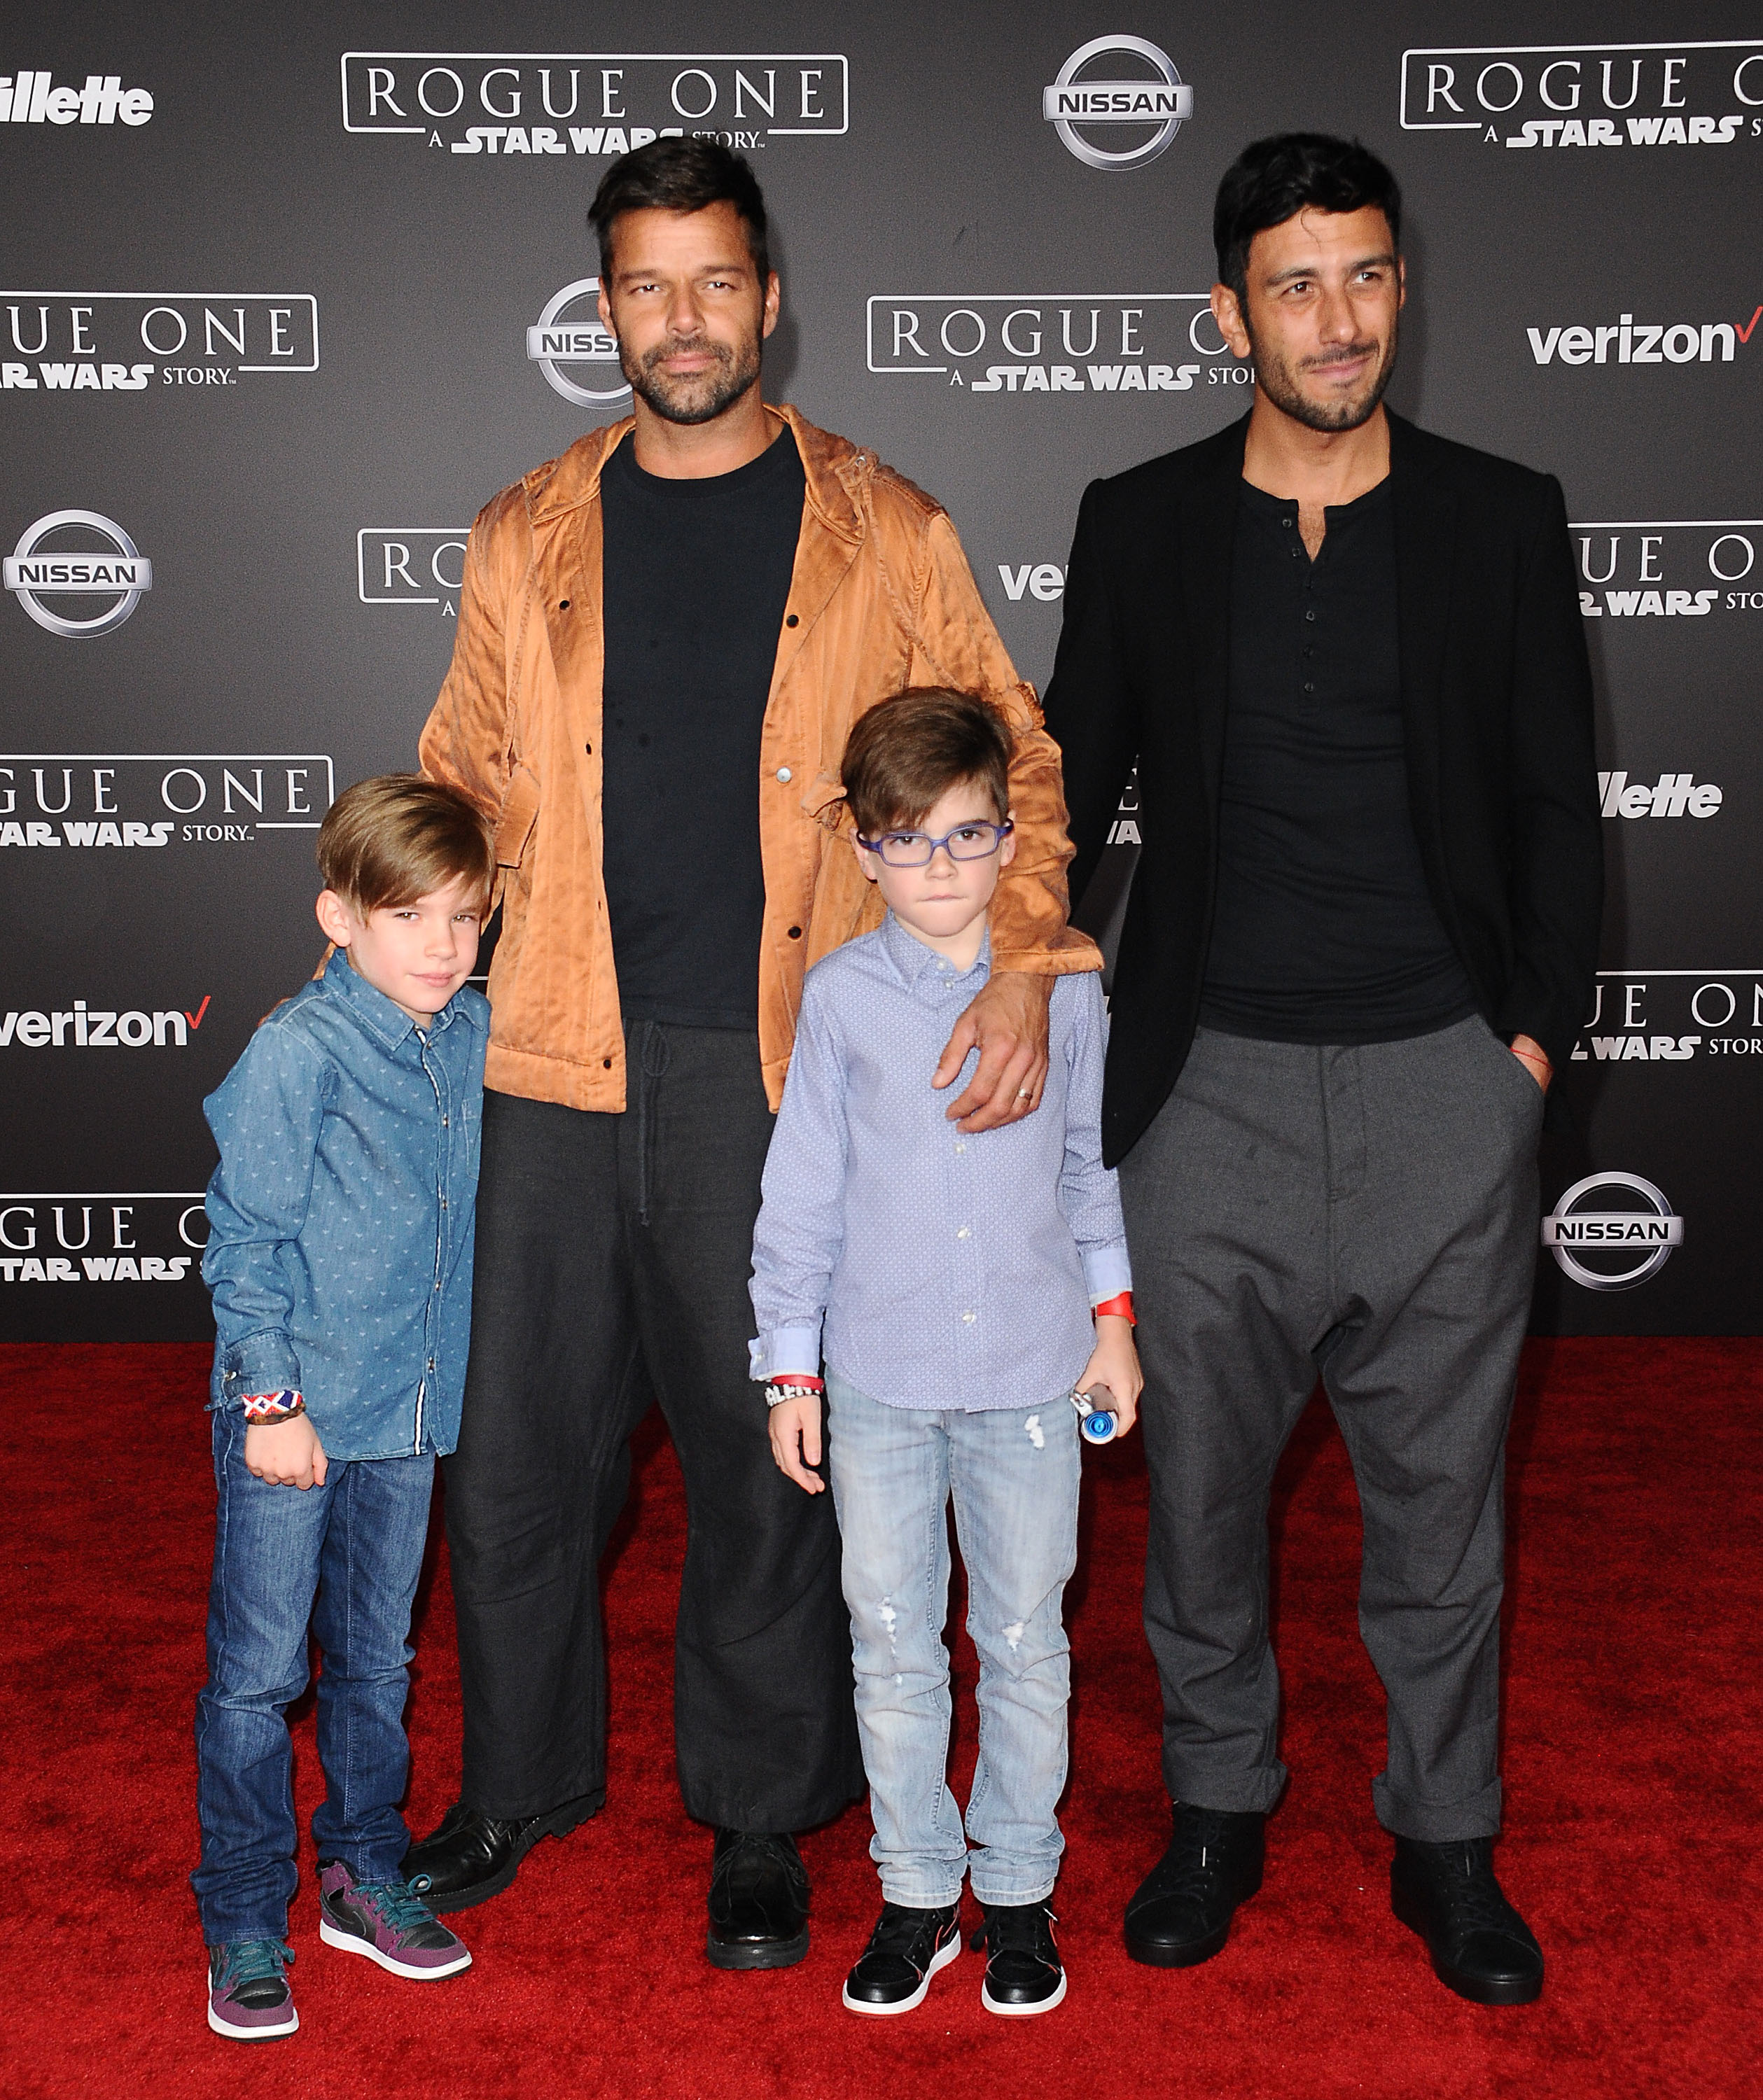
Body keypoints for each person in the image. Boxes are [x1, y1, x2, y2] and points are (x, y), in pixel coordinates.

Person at [406, 139, 1101, 1963]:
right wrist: (382, 979)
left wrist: (1024, 951)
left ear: (768, 298)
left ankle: (761, 1816)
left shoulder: (886, 524)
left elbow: (1019, 757)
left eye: (715, 280)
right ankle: (516, 1782)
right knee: (516, 1456)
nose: (684, 319)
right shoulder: (522, 529)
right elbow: (459, 775)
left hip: (783, 1067)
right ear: (604, 307)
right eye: (647, 285)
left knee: (762, 1457)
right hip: (549, 1053)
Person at [1041, 134, 1602, 2007]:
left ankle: (1445, 1839)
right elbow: (1062, 798)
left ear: (1400, 288)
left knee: (1442, 1509)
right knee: (1198, 1498)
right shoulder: (1138, 521)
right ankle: (1215, 1809)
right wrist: (1014, 995)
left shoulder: (1498, 514)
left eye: (1363, 275)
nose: (1337, 318)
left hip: (1442, 1079)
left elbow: (1553, 809)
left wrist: (1521, 1054)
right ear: (1229, 315)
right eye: (1294, 285)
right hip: (1203, 1096)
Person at [753, 688, 1143, 2017]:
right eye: (907, 840)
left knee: (1025, 1640)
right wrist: (789, 1368)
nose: (938, 866)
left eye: (968, 836)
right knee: (891, 1642)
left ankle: (1019, 1891)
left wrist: (1113, 1326)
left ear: (1008, 840)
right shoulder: (839, 999)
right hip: (877, 1380)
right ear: (864, 849)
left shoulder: (1065, 988)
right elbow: (801, 1197)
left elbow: (1090, 1170)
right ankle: (916, 1891)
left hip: (1034, 1372)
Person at [193, 776, 494, 2041]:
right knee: (258, 1678)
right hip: (296, 1413)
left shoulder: (472, 1031)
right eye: (408, 915)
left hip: (410, 1411)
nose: (442, 944)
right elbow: (242, 1240)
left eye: (466, 916)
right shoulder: (298, 1048)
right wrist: (271, 1404)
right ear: (340, 916)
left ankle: (362, 1873)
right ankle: (242, 1914)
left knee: (378, 1662)